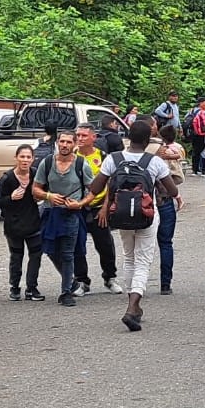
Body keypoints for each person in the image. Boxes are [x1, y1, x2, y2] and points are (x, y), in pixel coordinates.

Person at [89, 120, 178, 331]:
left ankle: (134, 304)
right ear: (148, 140)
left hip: (121, 216)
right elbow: (173, 191)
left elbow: (95, 186)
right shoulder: (154, 162)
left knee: (129, 257)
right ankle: (132, 307)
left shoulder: (114, 159)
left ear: (128, 137)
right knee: (143, 261)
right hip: (146, 215)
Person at [33, 130, 96, 307]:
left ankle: (66, 292)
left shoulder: (81, 164)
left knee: (68, 254)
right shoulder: (47, 163)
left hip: (71, 214)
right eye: (62, 142)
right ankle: (72, 282)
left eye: (69, 142)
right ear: (57, 143)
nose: (65, 145)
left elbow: (93, 191)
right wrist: (48, 196)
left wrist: (80, 204)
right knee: (50, 250)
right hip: (50, 213)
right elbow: (35, 189)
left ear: (74, 144)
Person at [72, 123, 123, 296]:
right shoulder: (71, 156)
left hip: (99, 207)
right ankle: (82, 280)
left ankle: (110, 277)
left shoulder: (103, 157)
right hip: (76, 207)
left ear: (93, 137)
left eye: (84, 135)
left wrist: (106, 207)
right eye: (78, 135)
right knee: (76, 246)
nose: (80, 138)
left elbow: (111, 183)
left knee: (105, 244)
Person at [0, 144, 44, 302]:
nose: (25, 160)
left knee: (36, 255)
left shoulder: (36, 175)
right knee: (16, 256)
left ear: (33, 159)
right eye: (22, 157)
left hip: (33, 222)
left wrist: (40, 196)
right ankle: (14, 287)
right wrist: (11, 198)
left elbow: (43, 192)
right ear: (16, 158)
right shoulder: (7, 178)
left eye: (28, 157)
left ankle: (32, 288)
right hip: (13, 225)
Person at [156, 124, 185, 295]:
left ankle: (136, 285)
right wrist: (177, 196)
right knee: (166, 243)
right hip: (164, 198)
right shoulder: (163, 150)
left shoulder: (133, 153)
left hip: (140, 203)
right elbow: (172, 189)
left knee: (138, 248)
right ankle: (165, 284)